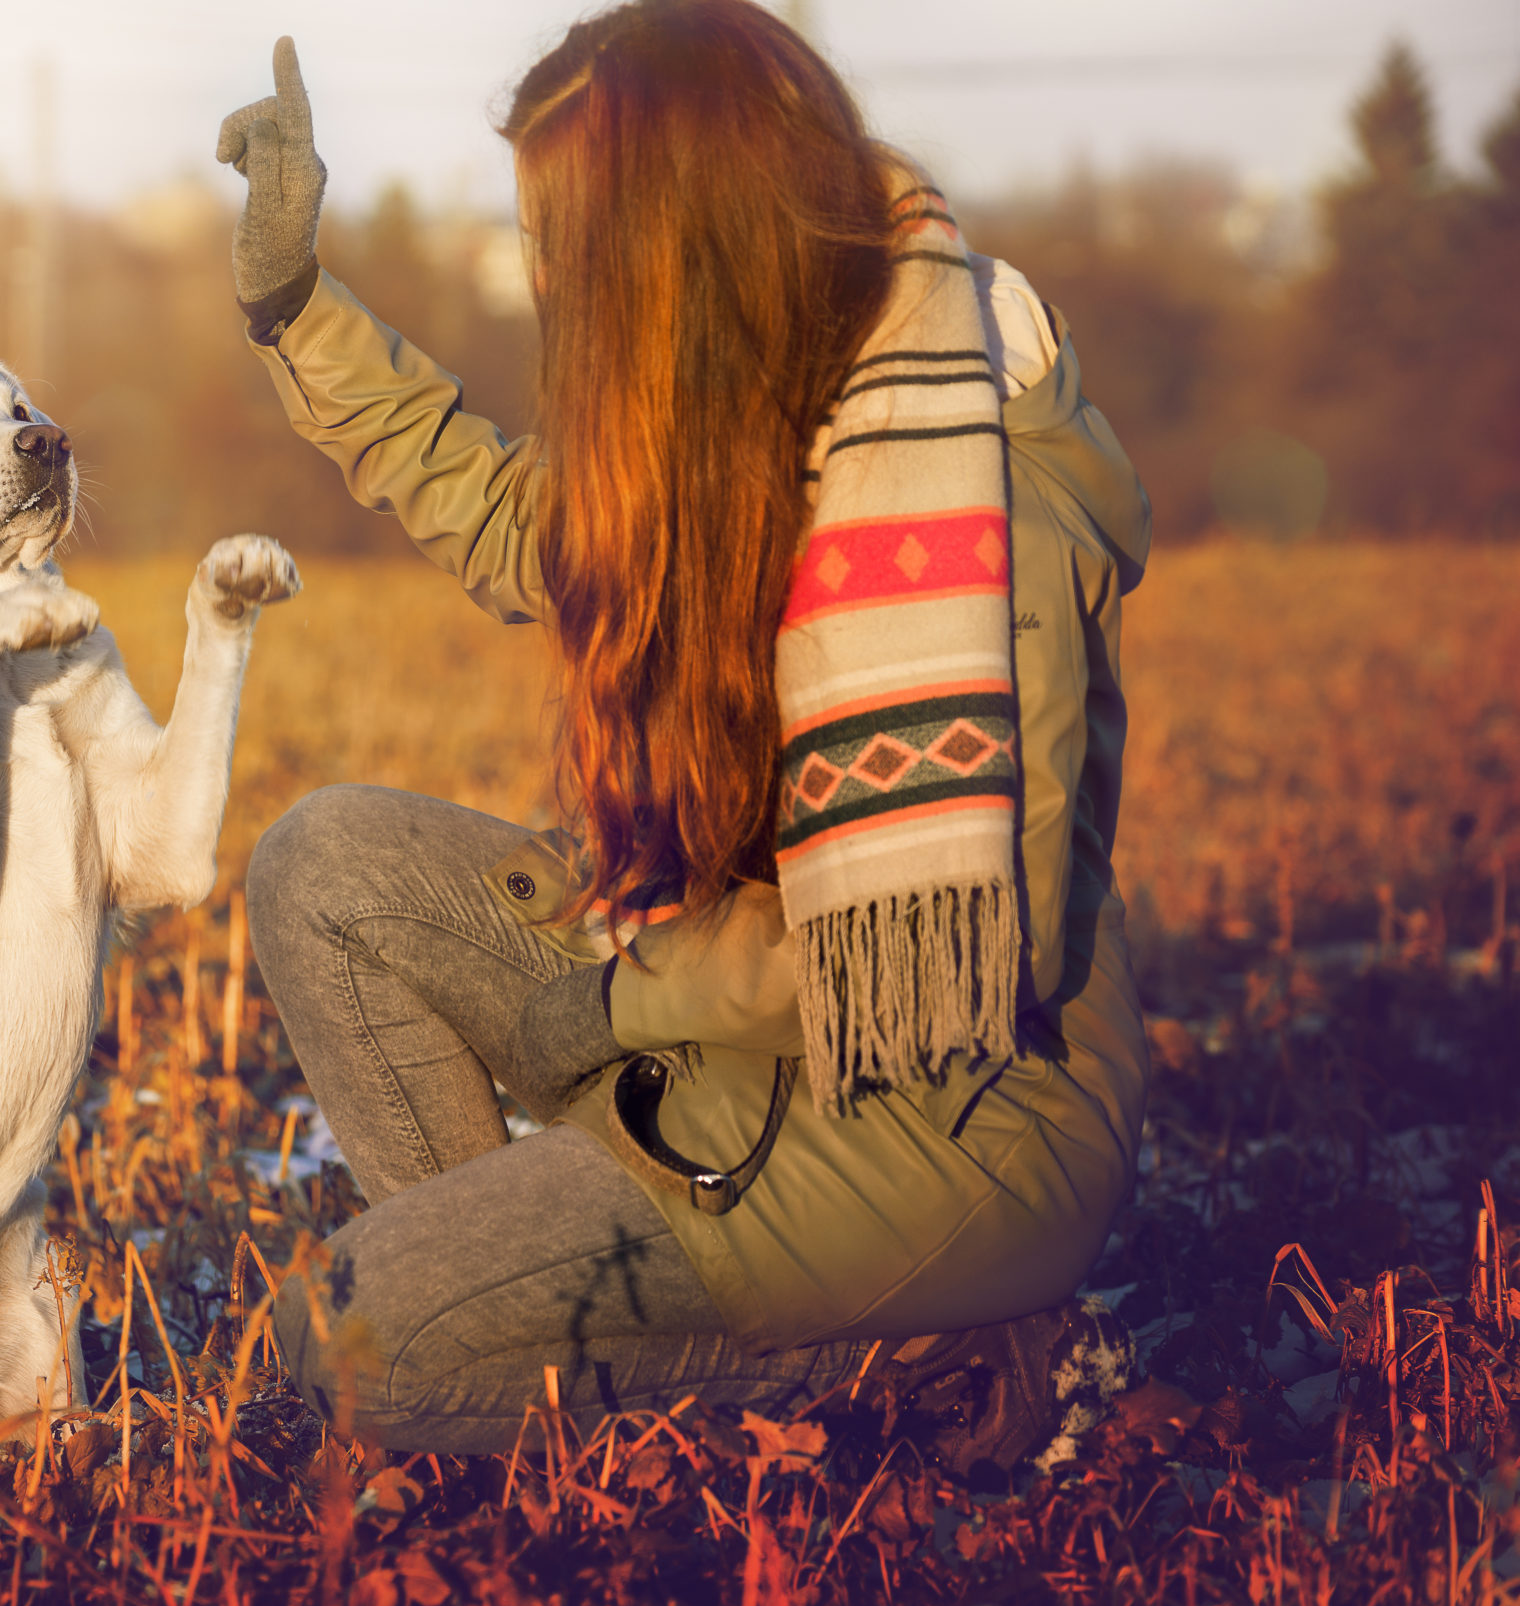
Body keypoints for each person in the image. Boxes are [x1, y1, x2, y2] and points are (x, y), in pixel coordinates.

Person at [215, 1, 1150, 1475]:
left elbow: (958, 951)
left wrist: (620, 1003)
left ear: (678, 237)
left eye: (563, 239)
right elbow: (516, 519)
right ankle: (545, 1297)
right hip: (725, 1027)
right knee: (332, 864)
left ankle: (896, 1367)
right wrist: (296, 306)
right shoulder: (742, 417)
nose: (540, 279)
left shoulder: (965, 508)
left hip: (935, 1123)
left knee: (343, 1349)